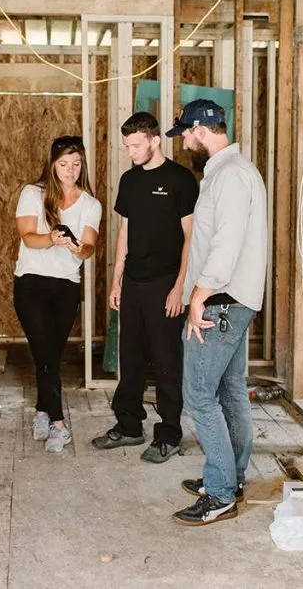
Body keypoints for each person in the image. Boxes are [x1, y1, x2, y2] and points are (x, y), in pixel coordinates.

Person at [165, 99, 267, 526]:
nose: (184, 141)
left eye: (186, 134)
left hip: (220, 300)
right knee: (229, 390)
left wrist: (198, 296)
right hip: (234, 299)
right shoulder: (232, 172)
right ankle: (231, 476)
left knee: (199, 397)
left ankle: (222, 493)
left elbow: (225, 244)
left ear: (202, 130)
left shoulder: (229, 176)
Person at [91, 112, 199, 463]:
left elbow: (190, 238)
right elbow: (125, 233)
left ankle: (168, 434)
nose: (131, 152)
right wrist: (116, 280)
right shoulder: (129, 180)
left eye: (136, 145)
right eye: (127, 146)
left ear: (155, 140)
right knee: (131, 358)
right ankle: (129, 426)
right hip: (134, 281)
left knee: (167, 361)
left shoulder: (181, 180)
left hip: (166, 281)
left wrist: (179, 287)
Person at [13, 135, 101, 454]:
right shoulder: (32, 194)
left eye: (76, 164)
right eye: (63, 164)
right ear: (52, 165)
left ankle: (41, 410)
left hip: (65, 286)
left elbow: (89, 248)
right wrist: (51, 237)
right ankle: (59, 424)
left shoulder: (91, 204)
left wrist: (81, 248)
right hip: (31, 284)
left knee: (49, 356)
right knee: (46, 353)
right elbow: (27, 238)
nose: (70, 170)